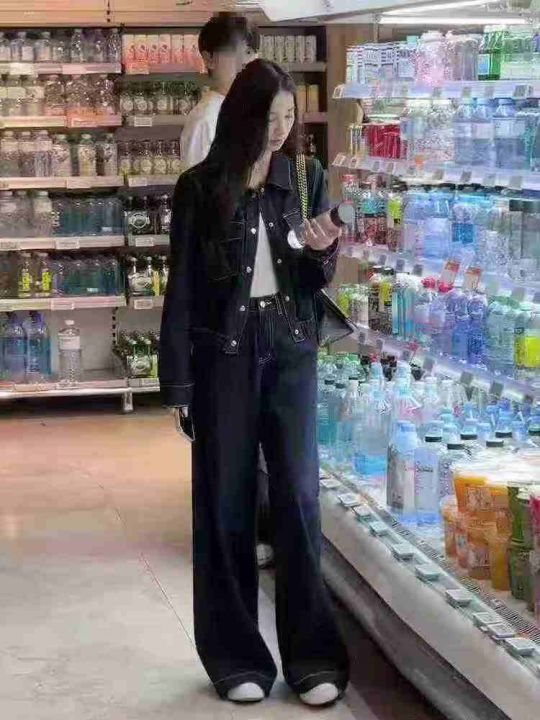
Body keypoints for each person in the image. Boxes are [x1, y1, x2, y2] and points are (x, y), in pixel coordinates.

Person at [160, 59, 349, 706]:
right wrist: (178, 383)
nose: (280, 130)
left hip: (292, 356)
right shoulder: (200, 188)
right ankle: (236, 657)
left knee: (297, 500)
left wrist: (322, 250)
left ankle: (313, 657)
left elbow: (314, 280)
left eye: (288, 117)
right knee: (225, 505)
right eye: (270, 117)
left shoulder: (305, 177)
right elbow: (182, 287)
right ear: (243, 115)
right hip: (224, 361)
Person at [181, 11, 274, 569]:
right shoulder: (208, 120)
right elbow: (205, 213)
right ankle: (233, 535)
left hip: (253, 300)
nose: (244, 66)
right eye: (237, 56)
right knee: (230, 439)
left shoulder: (250, 116)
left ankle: (250, 527)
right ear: (213, 59)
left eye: (249, 55)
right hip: (226, 304)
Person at [181, 12, 259, 170]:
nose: (244, 62)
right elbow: (197, 183)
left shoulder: (248, 108)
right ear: (209, 59)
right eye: (234, 52)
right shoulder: (205, 120)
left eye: (249, 52)